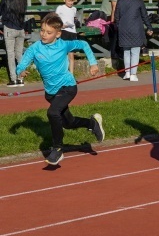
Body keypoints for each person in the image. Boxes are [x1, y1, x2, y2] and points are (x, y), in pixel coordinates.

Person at [16, 13, 104, 165]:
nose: (44, 34)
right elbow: (21, 64)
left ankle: (57, 149)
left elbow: (83, 44)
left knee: (52, 112)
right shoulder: (35, 48)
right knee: (68, 123)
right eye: (42, 30)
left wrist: (93, 63)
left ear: (58, 34)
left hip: (68, 86)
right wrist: (21, 72)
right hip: (51, 93)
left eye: (48, 32)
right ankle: (92, 124)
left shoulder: (63, 44)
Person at [114, 0, 153, 81]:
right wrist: (149, 27)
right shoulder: (139, 1)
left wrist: (119, 27)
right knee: (135, 52)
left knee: (126, 52)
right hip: (136, 29)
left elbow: (116, 17)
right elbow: (145, 16)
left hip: (123, 29)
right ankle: (133, 74)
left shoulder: (120, 1)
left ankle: (127, 73)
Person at [1, 0, 28, 86]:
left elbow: (1, 12)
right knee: (19, 55)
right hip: (20, 29)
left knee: (11, 55)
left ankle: (13, 79)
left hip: (9, 28)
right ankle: (21, 77)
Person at [55, 0, 78, 74]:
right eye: (69, 1)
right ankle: (62, 73)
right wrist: (62, 25)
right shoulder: (60, 8)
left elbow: (73, 19)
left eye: (72, 1)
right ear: (64, 0)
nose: (70, 3)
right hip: (64, 31)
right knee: (62, 53)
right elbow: (56, 18)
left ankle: (71, 75)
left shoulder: (74, 9)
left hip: (72, 32)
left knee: (71, 55)